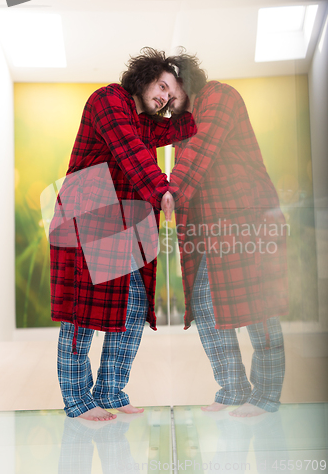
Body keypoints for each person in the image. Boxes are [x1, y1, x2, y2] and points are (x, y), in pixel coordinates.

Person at [49, 48, 196, 421]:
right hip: (88, 216)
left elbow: (180, 126)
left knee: (131, 310)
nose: (163, 97)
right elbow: (129, 148)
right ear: (144, 76)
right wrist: (161, 188)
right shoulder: (108, 100)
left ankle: (111, 391)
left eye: (170, 95)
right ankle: (78, 400)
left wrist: (188, 101)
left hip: (126, 223)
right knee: (83, 316)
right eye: (162, 85)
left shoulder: (142, 121)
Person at [163, 52, 289, 417]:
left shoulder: (220, 97)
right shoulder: (182, 125)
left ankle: (266, 396)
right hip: (211, 229)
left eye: (169, 87)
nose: (166, 98)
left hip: (248, 218)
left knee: (258, 308)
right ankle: (233, 387)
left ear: (185, 79)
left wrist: (168, 192)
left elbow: (201, 152)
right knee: (204, 303)